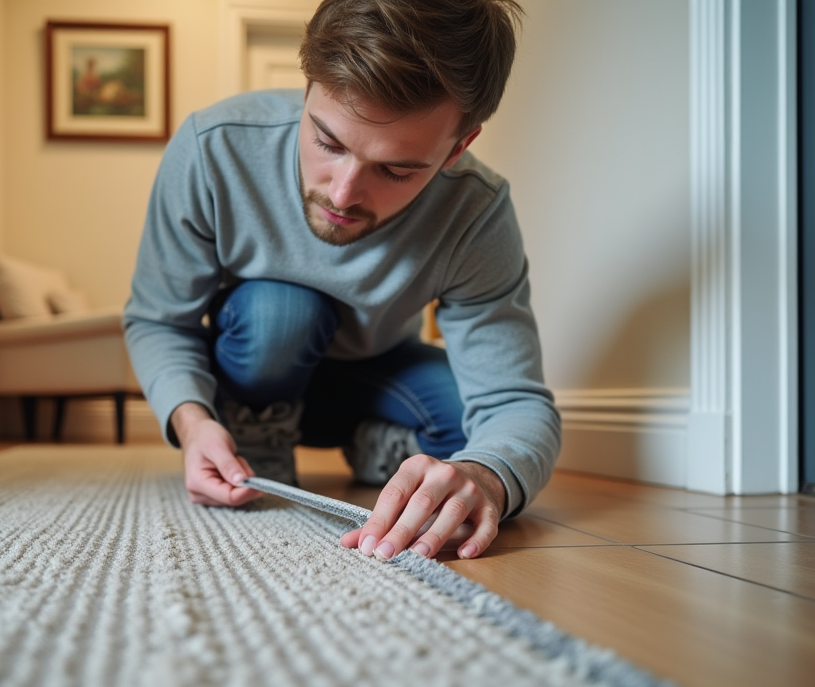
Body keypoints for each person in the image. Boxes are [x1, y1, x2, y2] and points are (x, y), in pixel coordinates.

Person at [123, 0, 560, 561]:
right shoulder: (214, 147)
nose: (342, 193)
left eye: (396, 170)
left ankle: (371, 445)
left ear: (458, 148)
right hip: (256, 367)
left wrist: (484, 476)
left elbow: (514, 400)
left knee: (473, 448)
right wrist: (191, 421)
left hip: (374, 375)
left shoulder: (477, 211)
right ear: (306, 87)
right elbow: (159, 319)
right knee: (279, 313)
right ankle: (261, 433)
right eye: (328, 143)